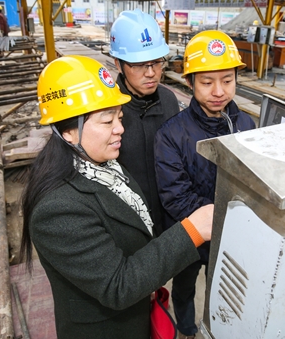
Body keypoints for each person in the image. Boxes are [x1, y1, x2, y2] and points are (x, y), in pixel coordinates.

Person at [20, 55, 214, 339]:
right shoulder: (57, 209)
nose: (120, 128)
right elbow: (118, 285)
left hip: (135, 314)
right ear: (69, 131)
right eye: (107, 120)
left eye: (120, 118)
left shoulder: (106, 166)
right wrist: (192, 231)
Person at [154, 30, 256, 339]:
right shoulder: (171, 134)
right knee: (185, 287)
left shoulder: (247, 126)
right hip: (190, 233)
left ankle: (217, 329)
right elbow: (175, 197)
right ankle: (186, 329)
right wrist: (224, 218)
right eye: (207, 82)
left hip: (230, 235)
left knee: (224, 287)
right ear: (189, 82)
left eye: (227, 80)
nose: (218, 91)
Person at [109, 9, 180, 236]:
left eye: (156, 62)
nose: (151, 73)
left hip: (169, 218)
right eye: (139, 64)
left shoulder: (169, 101)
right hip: (129, 225)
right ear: (118, 64)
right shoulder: (107, 111)